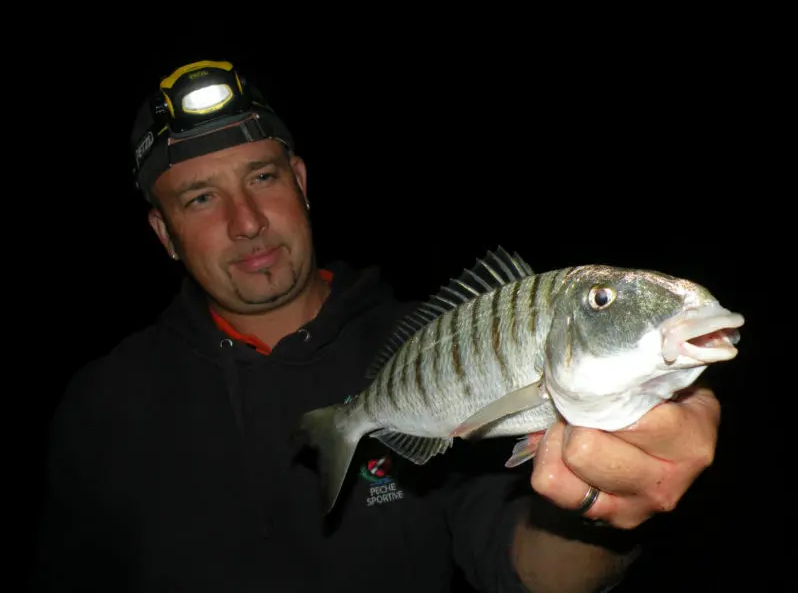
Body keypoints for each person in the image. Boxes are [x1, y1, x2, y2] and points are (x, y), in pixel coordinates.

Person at [33, 59, 722, 592]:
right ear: (164, 233)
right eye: (202, 197)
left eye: (263, 177)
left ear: (300, 180)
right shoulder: (103, 406)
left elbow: (526, 569)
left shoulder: (423, 341)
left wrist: (604, 506)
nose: (246, 222)